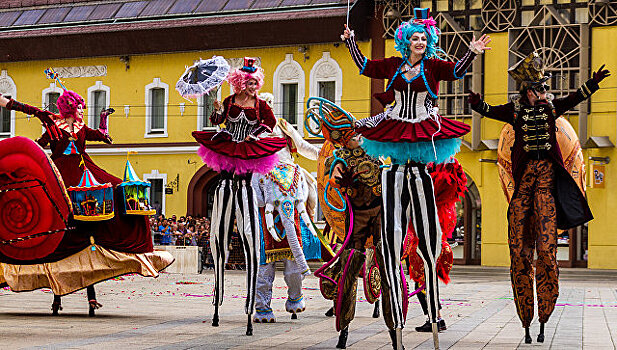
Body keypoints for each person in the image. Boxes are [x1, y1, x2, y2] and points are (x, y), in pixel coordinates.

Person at [342, 7, 490, 348]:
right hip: (394, 137)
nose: (420, 43)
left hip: (423, 135)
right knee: (392, 234)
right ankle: (396, 319)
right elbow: (366, 67)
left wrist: (472, 52)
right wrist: (351, 42)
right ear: (406, 41)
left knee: (429, 238)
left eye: (425, 38)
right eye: (415, 38)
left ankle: (434, 309)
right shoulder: (394, 66)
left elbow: (456, 71)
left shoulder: (432, 66)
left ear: (429, 41)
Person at [468, 52, 609, 344]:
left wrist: (592, 84)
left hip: (545, 192)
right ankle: (526, 317)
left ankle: (545, 312)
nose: (546, 92)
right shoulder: (515, 111)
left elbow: (573, 99)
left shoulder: (549, 110)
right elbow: (489, 110)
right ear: (529, 91)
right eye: (541, 88)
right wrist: (475, 103)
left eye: (545, 88)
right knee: (519, 254)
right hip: (522, 194)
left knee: (546, 252)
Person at [0, 90, 173, 316]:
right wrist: (6, 102)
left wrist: (104, 120)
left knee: (118, 188)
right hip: (60, 172)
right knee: (56, 208)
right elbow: (30, 110)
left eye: (83, 106)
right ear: (69, 107)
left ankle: (128, 249)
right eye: (79, 105)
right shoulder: (52, 120)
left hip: (84, 170)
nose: (82, 109)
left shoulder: (81, 128)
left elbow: (101, 135)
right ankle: (58, 292)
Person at [191, 57, 286, 335]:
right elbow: (217, 121)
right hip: (227, 160)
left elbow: (270, 125)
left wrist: (256, 134)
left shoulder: (262, 106)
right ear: (241, 83)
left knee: (248, 231)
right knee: (218, 231)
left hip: (247, 165)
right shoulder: (230, 101)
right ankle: (217, 298)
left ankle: (249, 304)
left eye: (257, 82)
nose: (254, 86)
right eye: (251, 82)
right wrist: (218, 111)